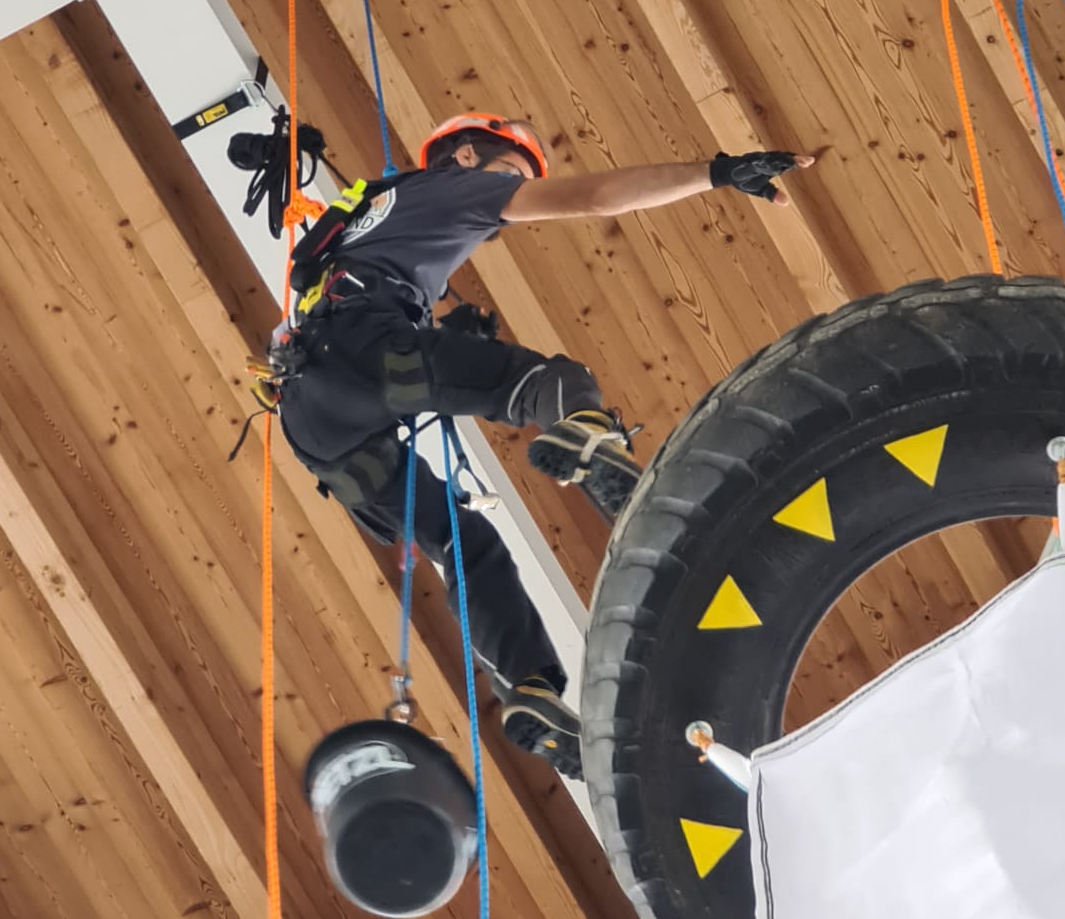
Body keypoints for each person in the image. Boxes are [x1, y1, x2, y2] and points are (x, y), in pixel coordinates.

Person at [272, 113, 815, 779]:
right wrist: (717, 172)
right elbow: (593, 198)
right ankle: (586, 438)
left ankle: (530, 687)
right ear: (467, 155)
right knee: (549, 381)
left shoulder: (372, 211)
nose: (510, 198)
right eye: (510, 175)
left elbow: (349, 284)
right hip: (369, 354)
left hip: (312, 411)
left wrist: (444, 329)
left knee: (464, 544)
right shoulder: (454, 187)